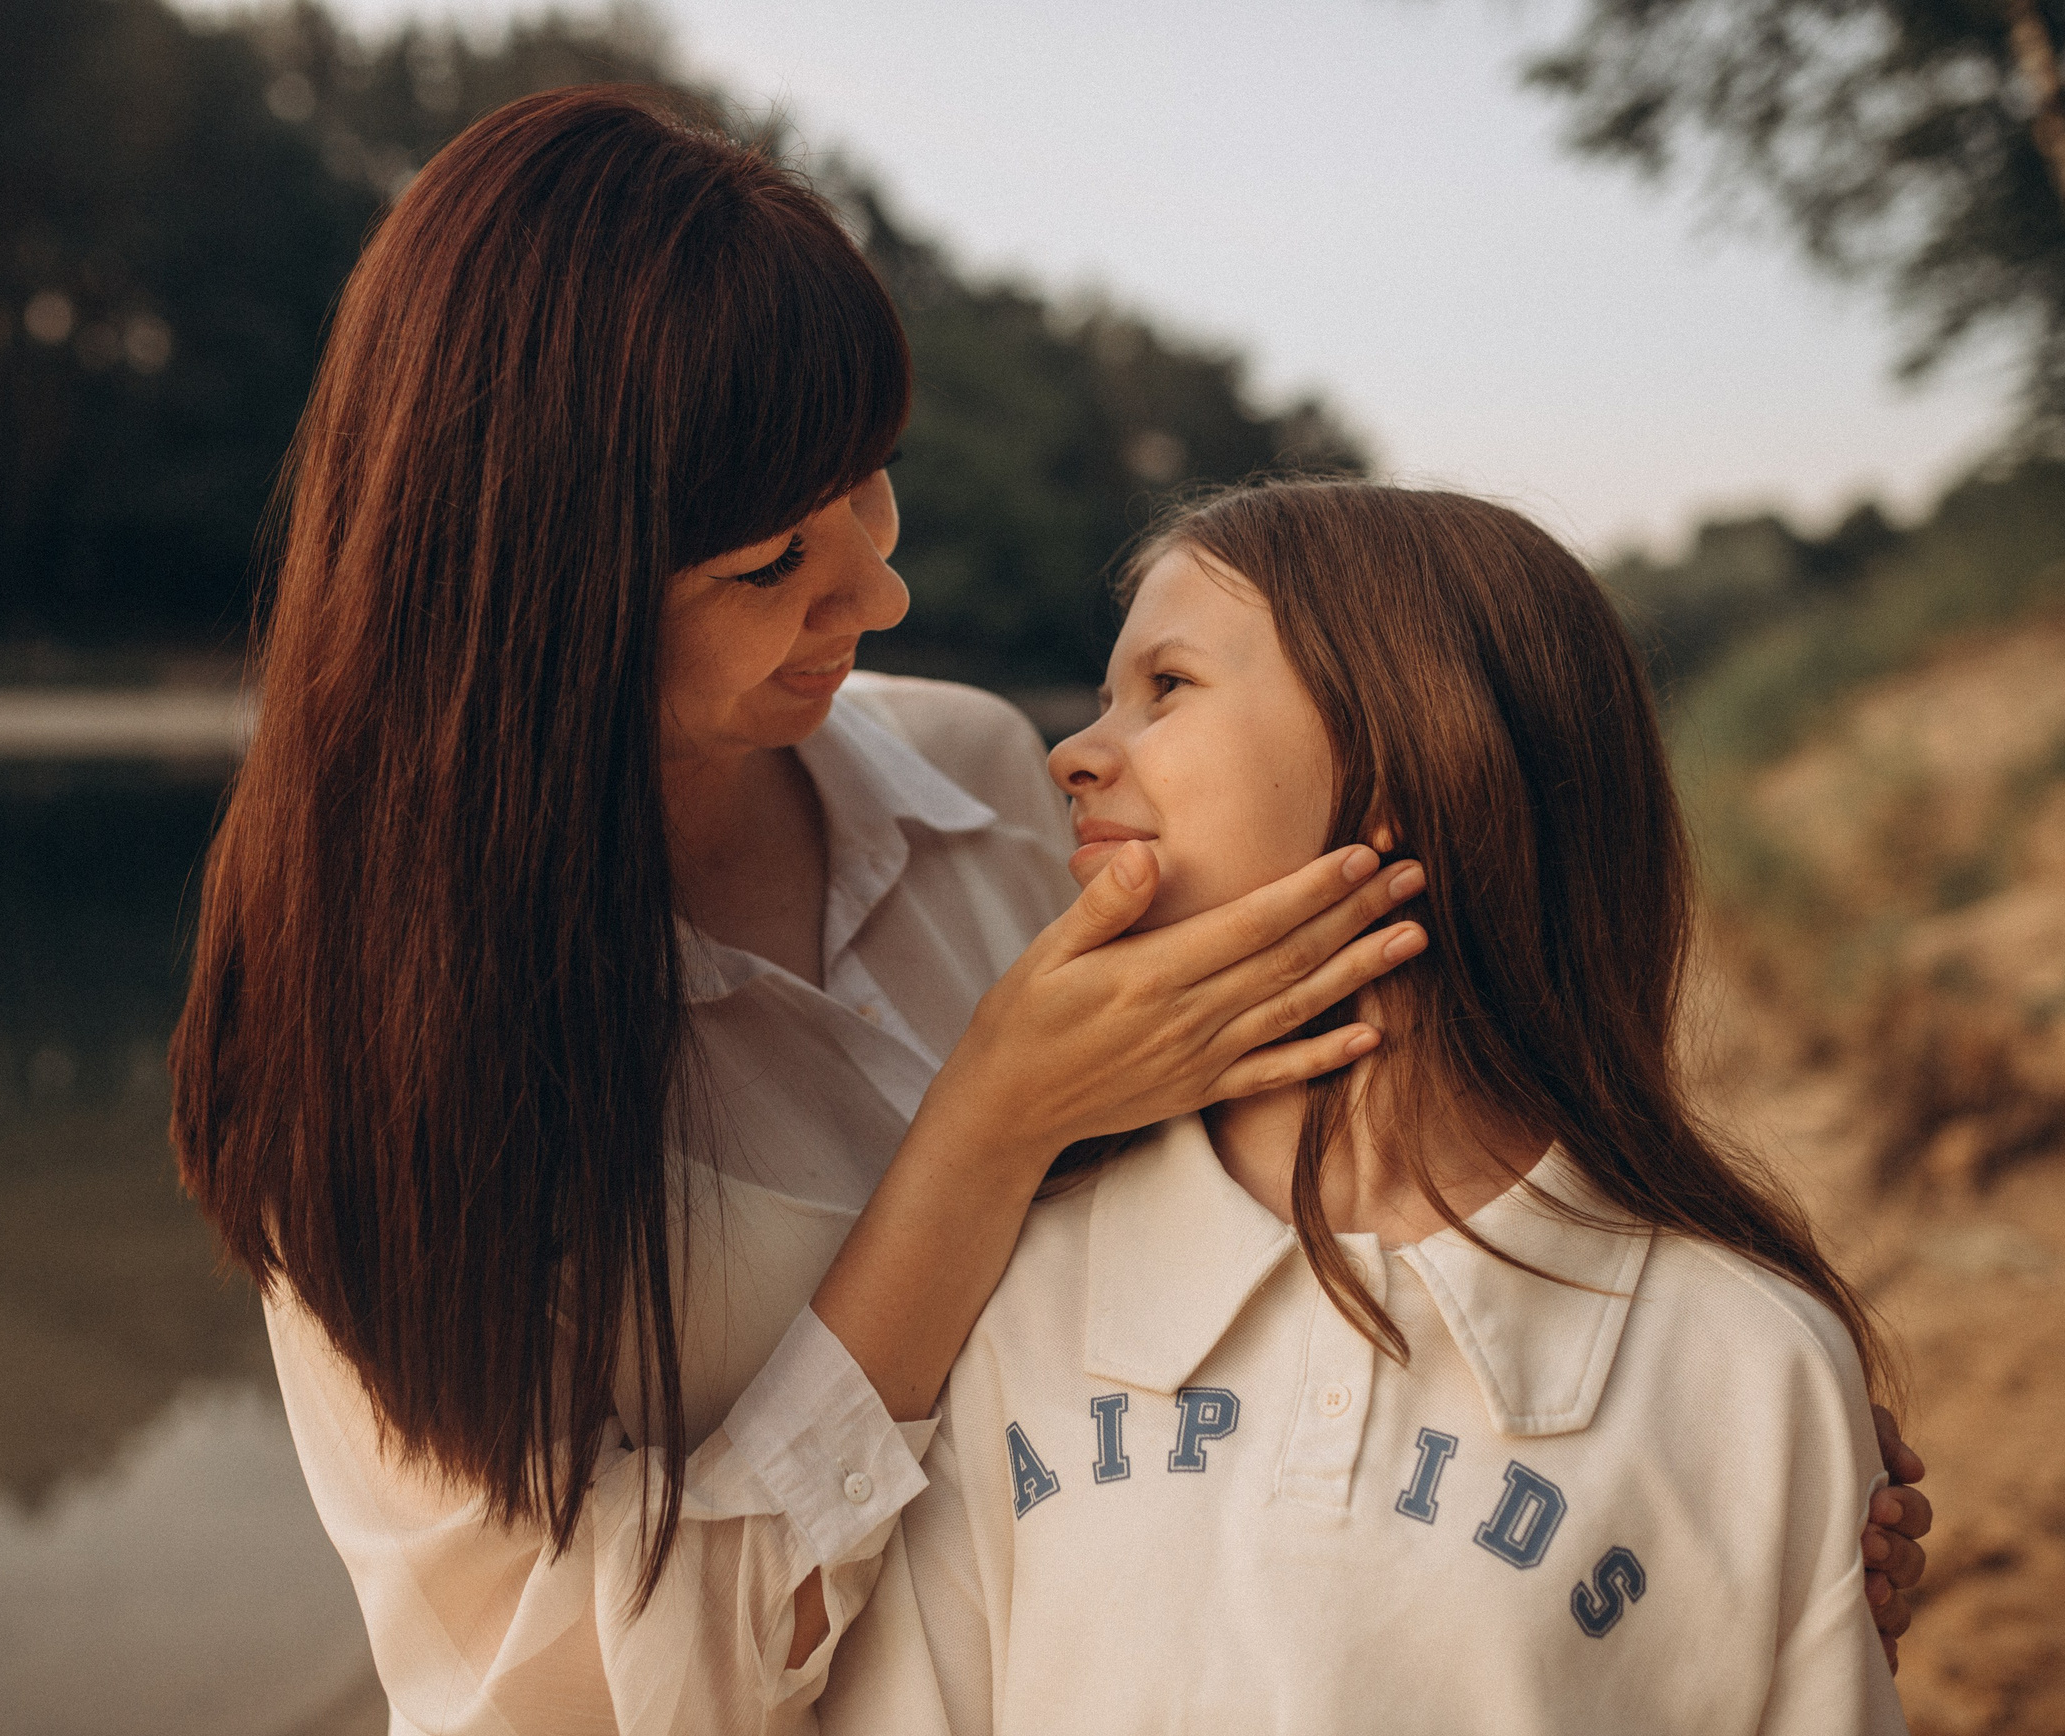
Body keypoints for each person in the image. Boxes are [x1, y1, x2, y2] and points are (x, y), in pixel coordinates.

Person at [166, 86, 1429, 1736]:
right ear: (535, 591)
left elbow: (1321, 1187)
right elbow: (564, 1701)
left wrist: (1696, 1464)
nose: (881, 594)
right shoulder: (353, 1052)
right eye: (773, 562)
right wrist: (983, 1135)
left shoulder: (980, 781)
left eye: (873, 489)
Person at [818, 481, 1915, 1735]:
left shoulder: (1750, 1361)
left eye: (1166, 686)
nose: (1074, 754)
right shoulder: (1010, 1289)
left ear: (1402, 757)